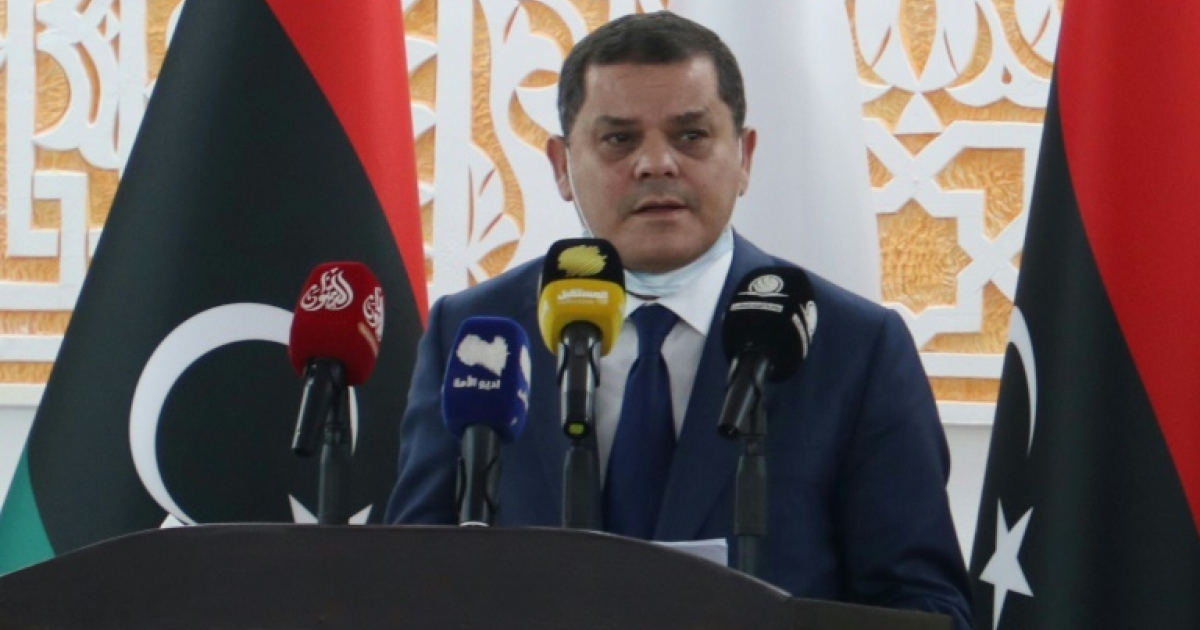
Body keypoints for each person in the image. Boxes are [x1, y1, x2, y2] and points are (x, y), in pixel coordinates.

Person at [386, 11, 973, 629]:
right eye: (619, 140)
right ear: (561, 165)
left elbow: (927, 607)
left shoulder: (853, 348)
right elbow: (404, 588)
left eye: (691, 135)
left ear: (744, 156)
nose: (656, 163)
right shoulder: (477, 335)